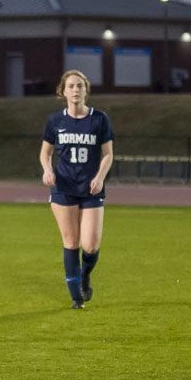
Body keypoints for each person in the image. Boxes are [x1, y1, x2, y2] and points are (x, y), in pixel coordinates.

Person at [39, 70, 115, 309]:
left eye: (80, 86)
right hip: (64, 188)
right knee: (71, 241)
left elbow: (108, 154)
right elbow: (45, 152)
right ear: (63, 91)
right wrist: (47, 170)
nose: (76, 90)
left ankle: (84, 275)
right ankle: (77, 298)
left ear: (86, 90)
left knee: (90, 245)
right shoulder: (55, 121)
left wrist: (101, 177)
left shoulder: (99, 119)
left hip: (91, 188)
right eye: (71, 86)